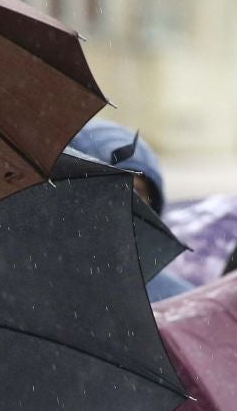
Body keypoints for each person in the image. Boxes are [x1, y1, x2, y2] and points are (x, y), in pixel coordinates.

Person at [70, 119, 191, 303]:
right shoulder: (30, 288)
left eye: (138, 193)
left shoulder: (177, 303)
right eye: (113, 189)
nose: (127, 202)